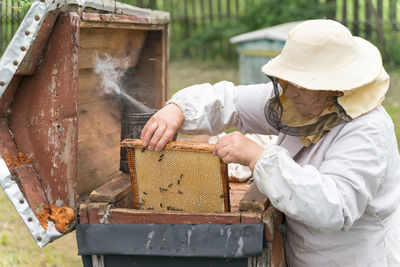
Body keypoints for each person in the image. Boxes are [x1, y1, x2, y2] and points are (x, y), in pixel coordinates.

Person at [140, 19, 400, 266]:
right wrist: (178, 110)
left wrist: (257, 157)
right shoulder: (301, 99)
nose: (290, 91)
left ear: (334, 87)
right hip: (304, 253)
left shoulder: (368, 129)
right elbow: (232, 101)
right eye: (287, 81)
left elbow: (333, 206)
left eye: (302, 84)